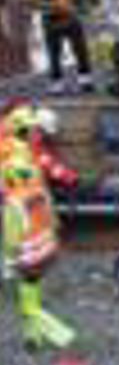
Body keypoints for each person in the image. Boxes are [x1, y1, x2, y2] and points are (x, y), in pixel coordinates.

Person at [2, 146, 75, 350]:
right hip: (46, 251)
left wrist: (9, 260)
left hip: (27, 256)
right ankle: (32, 337)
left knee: (26, 300)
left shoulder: (13, 204)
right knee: (31, 289)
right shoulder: (41, 193)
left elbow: (11, 235)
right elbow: (54, 221)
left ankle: (59, 333)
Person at [32, 0, 93, 92]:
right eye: (39, 4)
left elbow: (80, 12)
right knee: (54, 55)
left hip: (71, 25)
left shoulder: (61, 7)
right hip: (56, 27)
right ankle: (59, 83)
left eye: (40, 2)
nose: (39, 6)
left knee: (79, 52)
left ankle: (84, 81)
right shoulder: (44, 13)